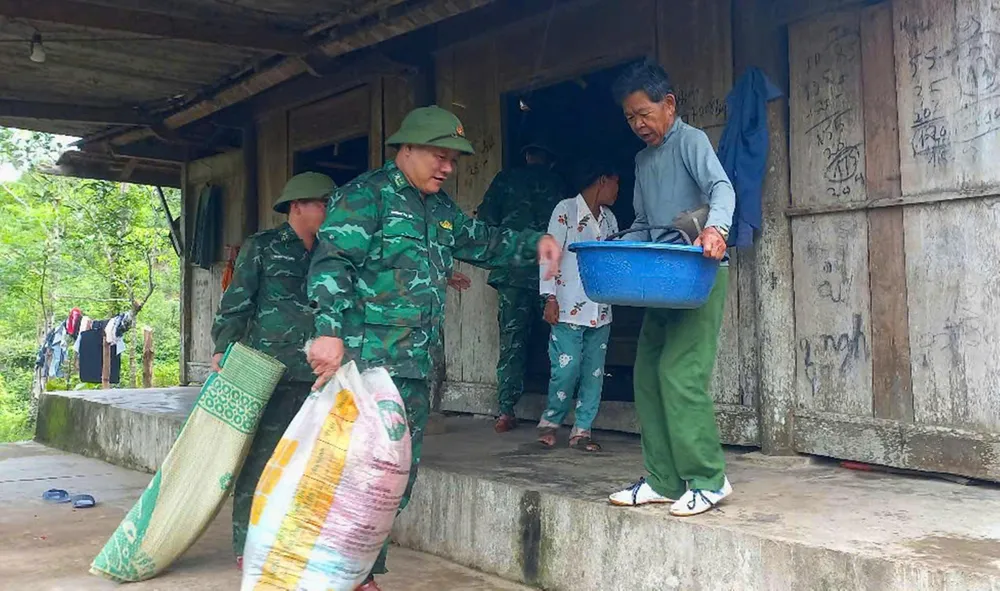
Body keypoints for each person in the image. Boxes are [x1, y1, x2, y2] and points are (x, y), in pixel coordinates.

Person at [305, 106, 561, 591]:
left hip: (418, 364)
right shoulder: (366, 197)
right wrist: (328, 329)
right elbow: (331, 263)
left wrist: (536, 243)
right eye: (439, 156)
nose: (447, 167)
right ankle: (346, 575)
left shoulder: (440, 209)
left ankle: (358, 571)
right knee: (359, 470)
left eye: (453, 159)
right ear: (407, 149)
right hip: (368, 364)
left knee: (395, 476)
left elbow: (481, 240)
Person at [606, 60, 736, 517]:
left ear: (669, 104)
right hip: (660, 279)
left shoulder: (691, 141)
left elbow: (722, 187)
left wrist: (716, 229)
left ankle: (707, 479)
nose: (638, 124)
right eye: (629, 117)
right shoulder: (643, 161)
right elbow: (643, 223)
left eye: (643, 112)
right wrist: (616, 246)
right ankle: (663, 479)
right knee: (647, 375)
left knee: (681, 374)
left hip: (698, 274)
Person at [209, 171, 336, 566]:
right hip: (271, 370)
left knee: (311, 462)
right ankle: (247, 545)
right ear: (297, 206)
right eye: (322, 203)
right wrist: (223, 349)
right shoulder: (263, 246)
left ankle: (296, 540)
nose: (329, 211)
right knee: (261, 459)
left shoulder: (334, 253)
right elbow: (236, 303)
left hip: (319, 374)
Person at [476, 138, 569, 433]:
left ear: (526, 154)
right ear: (551, 159)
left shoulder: (506, 180)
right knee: (560, 340)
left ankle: (506, 410)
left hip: (513, 271)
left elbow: (486, 218)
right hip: (549, 274)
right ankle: (558, 411)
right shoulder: (559, 184)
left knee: (512, 342)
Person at [537, 158, 619, 452]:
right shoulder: (565, 210)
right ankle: (550, 422)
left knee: (594, 373)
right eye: (615, 183)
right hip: (567, 303)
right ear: (602, 181)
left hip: (601, 308)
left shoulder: (610, 219)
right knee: (566, 369)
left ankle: (582, 431)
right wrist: (549, 296)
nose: (617, 190)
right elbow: (550, 255)